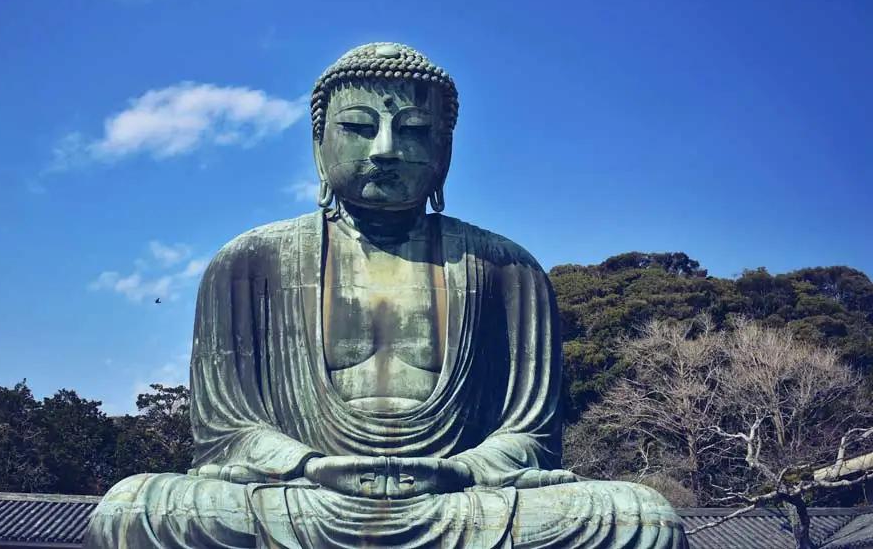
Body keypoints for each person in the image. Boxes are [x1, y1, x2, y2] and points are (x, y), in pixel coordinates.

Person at [85, 42, 688, 548]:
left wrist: (460, 469)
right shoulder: (248, 264)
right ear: (318, 142)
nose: (385, 149)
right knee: (132, 511)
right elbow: (226, 431)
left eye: (415, 131)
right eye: (358, 127)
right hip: (302, 498)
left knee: (642, 518)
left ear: (445, 150)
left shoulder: (507, 269)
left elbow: (531, 436)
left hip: (458, 502)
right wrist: (309, 466)